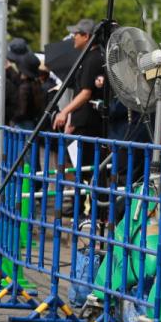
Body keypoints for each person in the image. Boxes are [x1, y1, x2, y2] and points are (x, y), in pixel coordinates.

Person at [53, 18, 107, 220]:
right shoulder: (90, 57)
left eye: (76, 34)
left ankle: (86, 213)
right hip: (82, 122)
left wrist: (64, 112)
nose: (73, 37)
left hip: (88, 124)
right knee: (82, 170)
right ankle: (86, 211)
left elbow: (86, 93)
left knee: (84, 171)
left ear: (86, 36)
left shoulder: (93, 59)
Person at [13, 51, 46, 131]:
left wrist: (13, 118)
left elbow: (22, 111)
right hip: (32, 124)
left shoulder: (24, 88)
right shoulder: (37, 85)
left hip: (22, 126)